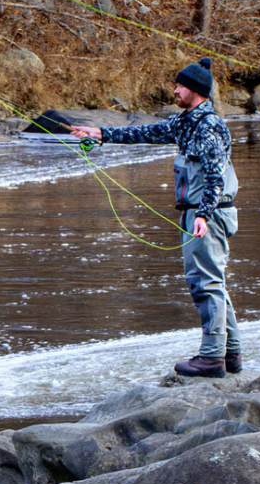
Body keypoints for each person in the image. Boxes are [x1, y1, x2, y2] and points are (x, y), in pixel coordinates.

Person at [69, 58, 242, 379]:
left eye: (180, 85)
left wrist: (203, 215)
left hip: (208, 215)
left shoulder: (209, 125)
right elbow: (145, 132)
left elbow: (215, 176)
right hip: (201, 213)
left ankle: (212, 358)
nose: (174, 90)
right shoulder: (186, 121)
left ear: (196, 90)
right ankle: (229, 355)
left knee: (206, 284)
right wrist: (100, 133)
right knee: (212, 281)